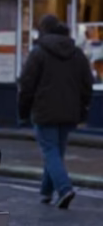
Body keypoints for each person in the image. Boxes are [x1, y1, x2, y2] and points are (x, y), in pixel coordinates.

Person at [18, 14, 94, 209]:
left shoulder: (39, 52)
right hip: (69, 112)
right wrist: (83, 109)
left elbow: (26, 85)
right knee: (55, 152)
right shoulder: (77, 53)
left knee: (50, 151)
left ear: (43, 30)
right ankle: (45, 193)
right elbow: (87, 84)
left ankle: (64, 188)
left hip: (44, 111)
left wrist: (23, 111)